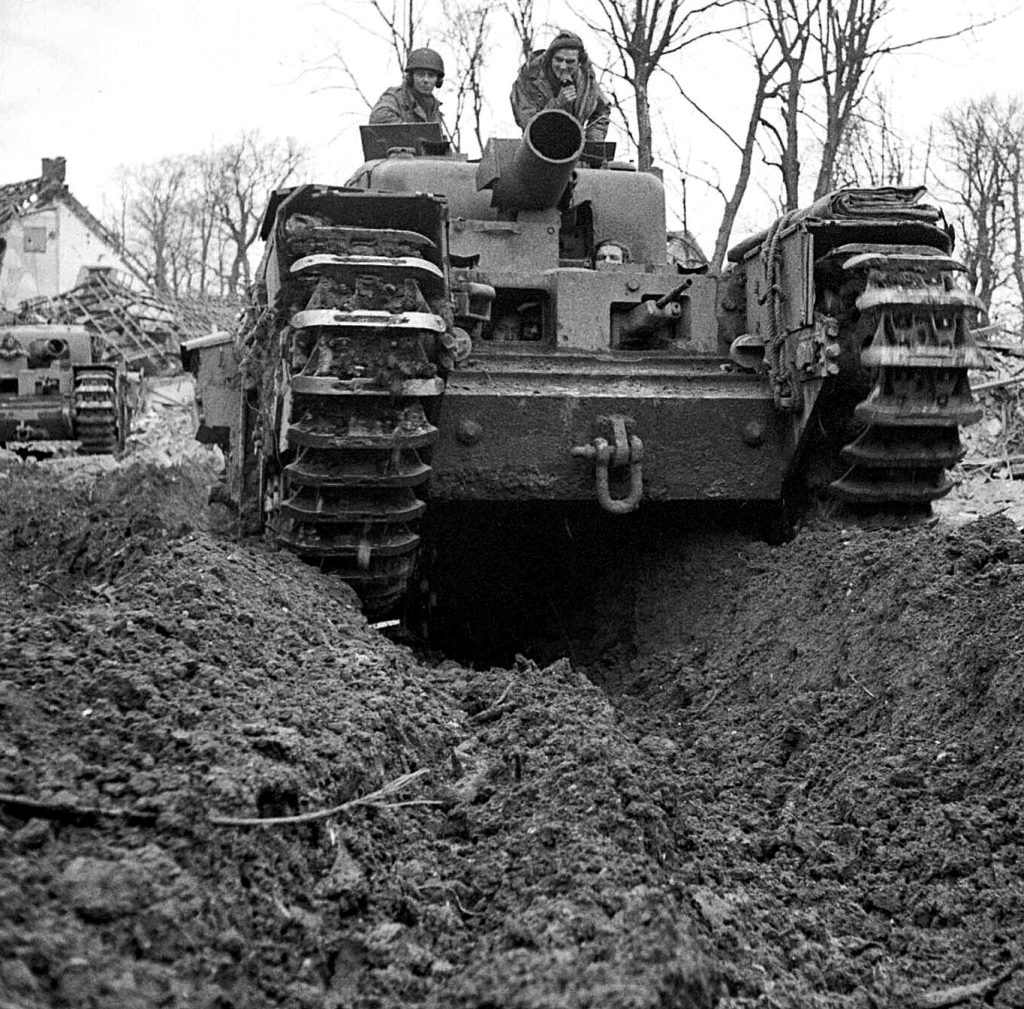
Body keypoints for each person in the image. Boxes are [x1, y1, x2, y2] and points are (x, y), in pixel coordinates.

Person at [510, 31, 611, 143]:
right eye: (558, 60)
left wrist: (592, 141)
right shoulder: (529, 79)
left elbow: (602, 110)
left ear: (579, 62)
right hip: (537, 149)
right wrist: (558, 104)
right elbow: (529, 123)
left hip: (573, 150)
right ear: (550, 58)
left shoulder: (586, 81)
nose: (563, 66)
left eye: (570, 62)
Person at [369, 48, 447, 126]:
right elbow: (379, 118)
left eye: (431, 76)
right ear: (411, 77)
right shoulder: (395, 97)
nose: (426, 80)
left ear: (438, 80)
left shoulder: (433, 108)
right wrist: (413, 132)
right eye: (421, 74)